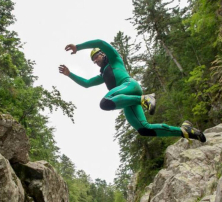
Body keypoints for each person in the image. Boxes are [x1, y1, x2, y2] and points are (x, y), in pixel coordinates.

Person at [58, 39, 206, 142]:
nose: (95, 60)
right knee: (144, 129)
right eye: (93, 60)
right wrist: (69, 74)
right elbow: (87, 83)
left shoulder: (114, 59)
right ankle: (185, 131)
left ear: (103, 54)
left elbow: (100, 42)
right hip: (127, 98)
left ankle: (144, 99)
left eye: (96, 56)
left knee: (105, 103)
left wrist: (78, 46)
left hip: (129, 86)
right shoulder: (103, 74)